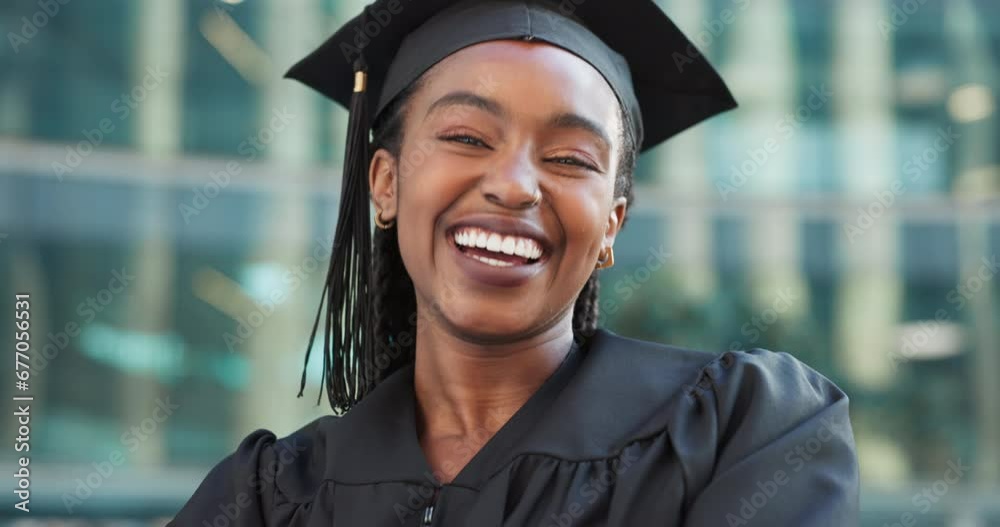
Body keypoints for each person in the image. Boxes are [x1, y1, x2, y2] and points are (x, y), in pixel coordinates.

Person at [171, 1, 860, 525]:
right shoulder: (268, 498)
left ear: (611, 224)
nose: (515, 184)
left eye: (569, 159)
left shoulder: (740, 433)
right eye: (468, 137)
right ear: (384, 183)